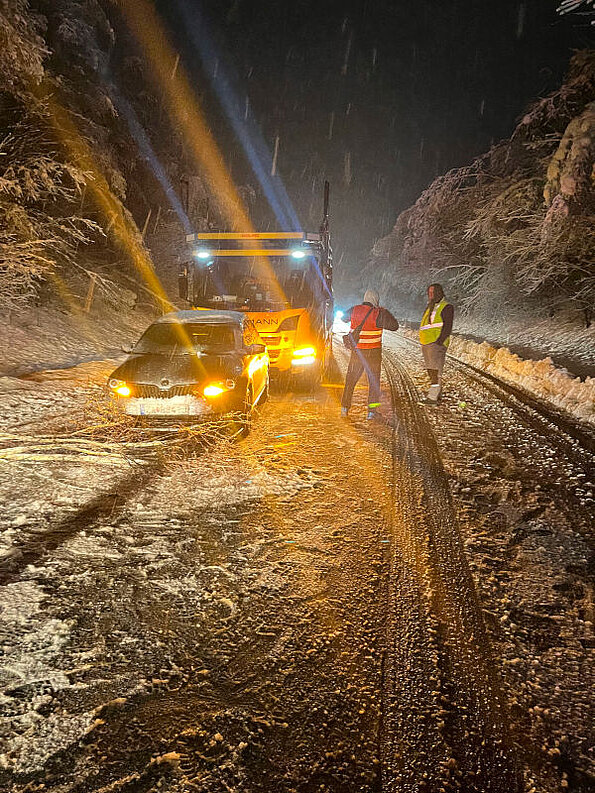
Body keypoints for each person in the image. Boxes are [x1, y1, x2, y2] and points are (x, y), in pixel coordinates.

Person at [340, 289, 399, 419]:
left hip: (357, 353)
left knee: (350, 381)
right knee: (373, 383)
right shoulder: (379, 313)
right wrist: (385, 311)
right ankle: (372, 412)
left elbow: (343, 318)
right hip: (373, 354)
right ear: (376, 300)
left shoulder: (354, 309)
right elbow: (395, 326)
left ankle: (344, 408)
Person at [419, 283, 454, 404]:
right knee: (432, 370)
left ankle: (432, 397)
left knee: (435, 371)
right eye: (429, 292)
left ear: (439, 292)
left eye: (432, 292)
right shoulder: (431, 306)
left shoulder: (446, 307)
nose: (430, 295)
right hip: (427, 343)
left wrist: (439, 342)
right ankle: (437, 393)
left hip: (435, 343)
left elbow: (447, 326)